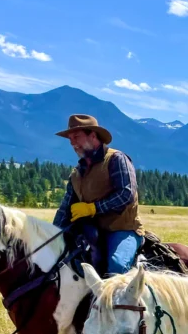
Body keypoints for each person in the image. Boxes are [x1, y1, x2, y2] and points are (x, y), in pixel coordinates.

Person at [52, 114, 144, 275]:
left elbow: (125, 194)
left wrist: (93, 208)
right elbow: (65, 210)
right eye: (70, 139)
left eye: (76, 137)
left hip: (122, 230)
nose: (72, 143)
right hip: (90, 232)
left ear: (92, 135)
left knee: (116, 267)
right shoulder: (76, 173)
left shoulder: (116, 159)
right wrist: (52, 235)